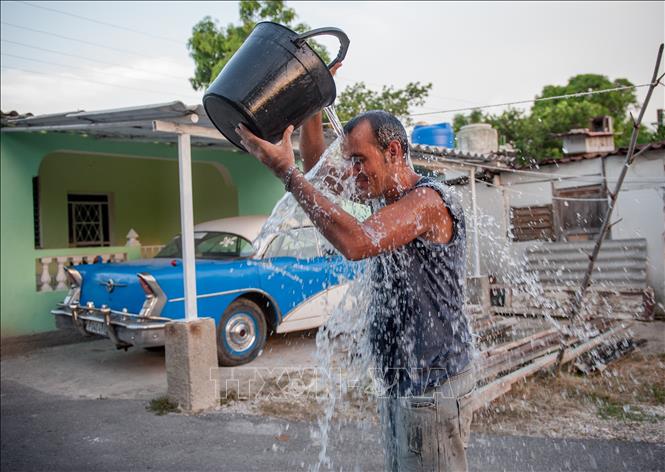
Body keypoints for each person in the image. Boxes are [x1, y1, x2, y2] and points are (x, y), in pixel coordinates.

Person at [236, 95, 475, 471]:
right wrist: (311, 101)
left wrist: (287, 173)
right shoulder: (382, 196)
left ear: (393, 151)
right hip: (403, 381)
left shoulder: (428, 201)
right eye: (349, 161)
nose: (352, 172)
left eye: (359, 160)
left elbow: (357, 242)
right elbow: (318, 177)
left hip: (433, 383)